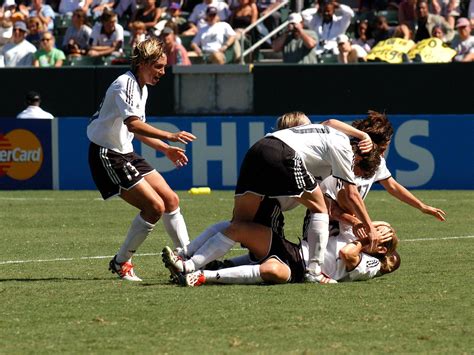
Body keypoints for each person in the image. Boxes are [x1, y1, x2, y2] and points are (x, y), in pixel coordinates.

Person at [163, 111, 383, 284]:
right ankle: (314, 271)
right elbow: (351, 194)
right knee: (319, 209)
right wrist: (369, 227)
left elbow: (330, 121)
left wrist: (362, 135)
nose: (352, 176)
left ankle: (186, 260)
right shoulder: (345, 149)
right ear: (357, 158)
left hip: (258, 149)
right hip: (284, 153)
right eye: (358, 172)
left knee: (239, 224)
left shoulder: (332, 134)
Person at [87, 37, 197, 281]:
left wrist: (165, 149)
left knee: (170, 199)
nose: (163, 71)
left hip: (124, 151)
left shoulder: (141, 87)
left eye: (164, 66)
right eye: (159, 66)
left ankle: (188, 258)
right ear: (143, 63)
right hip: (107, 154)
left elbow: (136, 129)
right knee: (154, 207)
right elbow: (133, 123)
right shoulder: (124, 84)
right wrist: (170, 135)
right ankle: (121, 262)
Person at [322, 112, 447, 222]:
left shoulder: (377, 162)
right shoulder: (342, 151)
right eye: (382, 148)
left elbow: (392, 187)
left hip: (350, 223)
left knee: (388, 243)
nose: (382, 153)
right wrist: (363, 135)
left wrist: (422, 206)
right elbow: (329, 123)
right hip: (326, 220)